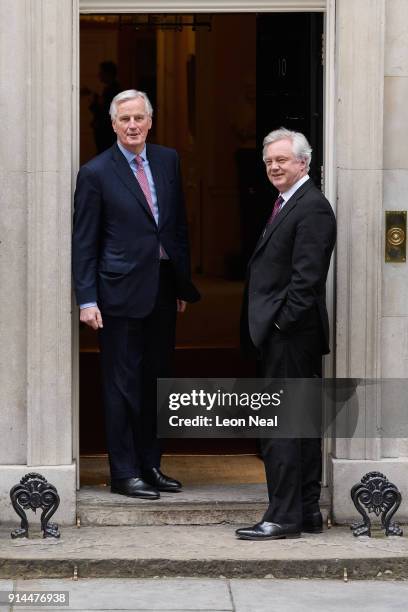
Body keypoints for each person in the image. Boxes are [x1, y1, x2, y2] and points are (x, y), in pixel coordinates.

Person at [72, 89, 199, 499]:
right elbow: (84, 241)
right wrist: (87, 299)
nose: (132, 125)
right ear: (113, 124)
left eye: (139, 118)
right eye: (124, 119)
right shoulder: (95, 173)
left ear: (150, 121)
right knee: (121, 385)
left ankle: (151, 464)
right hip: (118, 294)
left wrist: (180, 281)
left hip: (163, 287)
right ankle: (124, 472)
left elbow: (176, 224)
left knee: (158, 382)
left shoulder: (167, 160)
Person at [237, 127, 336, 540]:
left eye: (282, 160)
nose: (274, 167)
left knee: (281, 427)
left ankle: (283, 516)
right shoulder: (286, 203)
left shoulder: (312, 207)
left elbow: (306, 281)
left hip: (291, 337)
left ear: (303, 163)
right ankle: (307, 512)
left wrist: (278, 326)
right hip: (288, 336)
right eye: (269, 162)